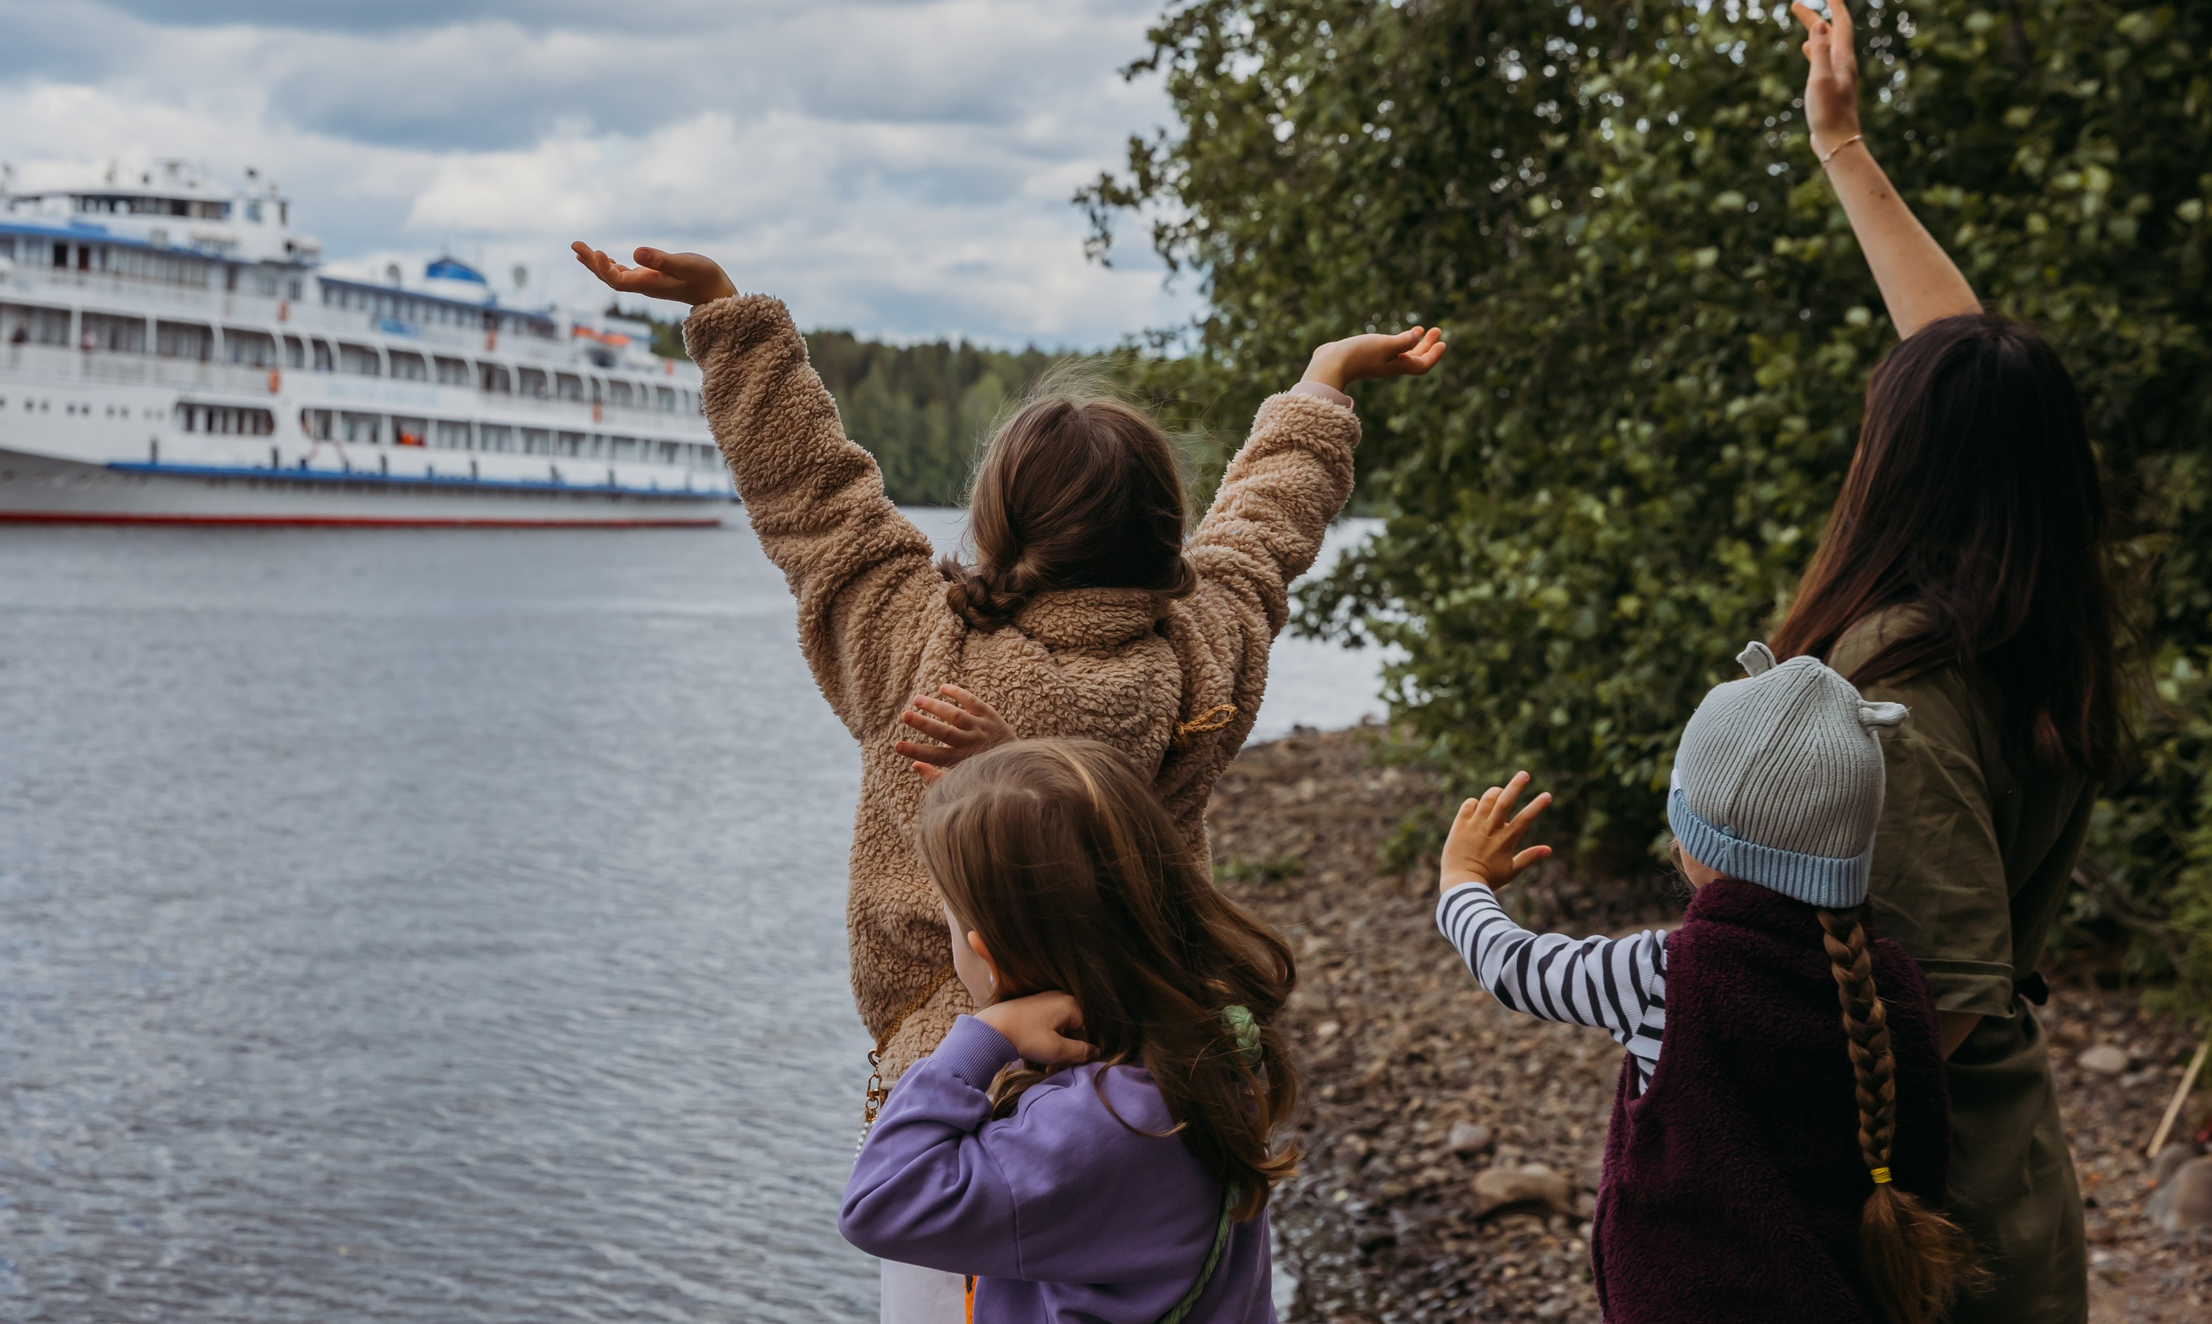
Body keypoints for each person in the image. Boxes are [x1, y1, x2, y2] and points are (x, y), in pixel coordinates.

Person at [570, 240, 1442, 1323]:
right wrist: (1322, 385)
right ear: (1161, 530)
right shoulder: (1203, 648)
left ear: (1000, 525)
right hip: (1151, 1079)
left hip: (956, 1089)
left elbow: (814, 500)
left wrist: (728, 316)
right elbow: (1263, 530)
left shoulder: (914, 649)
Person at [1770, 0, 2127, 1323]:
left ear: (1901, 460)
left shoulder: (1899, 683)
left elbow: (1947, 1013)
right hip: (2001, 1193)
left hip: (1933, 1231)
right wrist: (1844, 149)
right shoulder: (2023, 602)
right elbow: (1967, 366)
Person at [1436, 645, 1974, 1324]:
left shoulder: (1665, 976)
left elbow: (1511, 965)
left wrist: (1462, 881)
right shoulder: (1893, 980)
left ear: (1702, 838)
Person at [841, 740, 1301, 1324]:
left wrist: (984, 1037)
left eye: (951, 920)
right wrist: (1014, 780)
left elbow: (878, 1204)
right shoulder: (1209, 1039)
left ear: (986, 954)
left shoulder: (1089, 1131)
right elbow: (1092, 870)